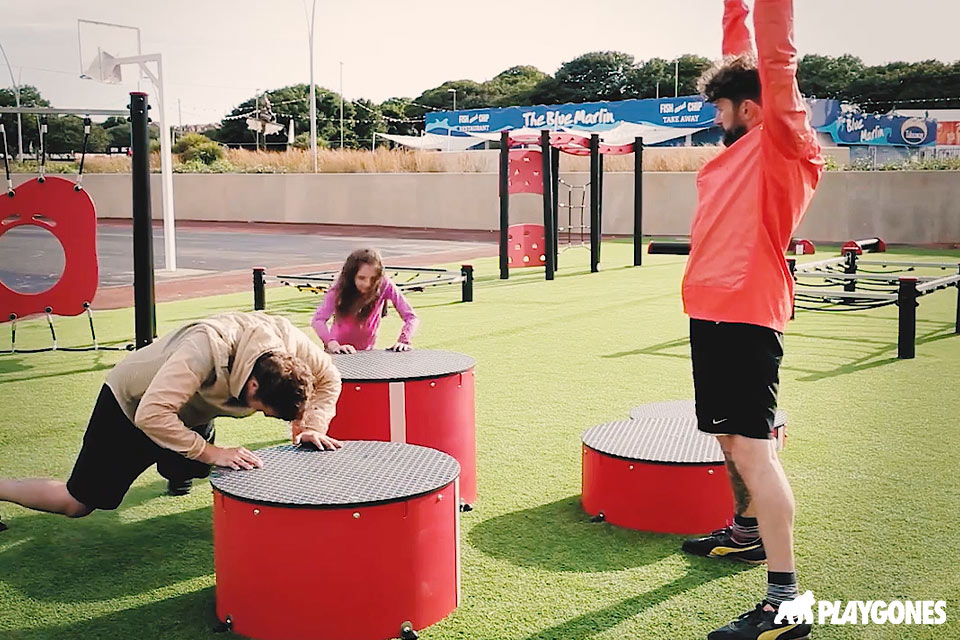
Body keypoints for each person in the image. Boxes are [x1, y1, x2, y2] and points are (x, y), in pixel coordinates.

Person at [679, 0, 823, 638]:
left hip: (746, 313)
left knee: (755, 451)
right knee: (728, 438)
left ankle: (785, 601)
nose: (715, 118)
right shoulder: (741, 145)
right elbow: (741, 54)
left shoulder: (782, 145)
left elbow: (773, 56)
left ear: (753, 108)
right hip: (708, 310)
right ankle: (745, 531)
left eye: (722, 106)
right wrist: (732, 9)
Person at [0, 311, 342, 530]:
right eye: (264, 410)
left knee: (191, 468)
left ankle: (177, 465)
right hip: (131, 406)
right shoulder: (204, 349)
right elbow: (152, 414)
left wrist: (311, 425)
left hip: (189, 411)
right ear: (252, 385)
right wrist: (211, 451)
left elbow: (330, 378)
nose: (264, 416)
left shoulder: (288, 342)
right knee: (78, 504)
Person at [312, 248, 419, 354]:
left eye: (373, 279)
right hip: (339, 352)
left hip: (367, 353)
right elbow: (318, 320)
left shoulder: (384, 284)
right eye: (361, 278)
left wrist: (404, 341)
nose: (368, 284)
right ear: (351, 276)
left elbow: (411, 317)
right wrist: (333, 345)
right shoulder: (339, 288)